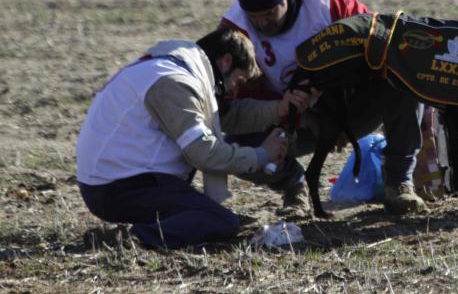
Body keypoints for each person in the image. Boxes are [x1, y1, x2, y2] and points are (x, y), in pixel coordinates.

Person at [219, 0, 427, 215]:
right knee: (234, 148)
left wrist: (331, 91)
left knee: (401, 75)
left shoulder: (327, 0)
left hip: (352, 104)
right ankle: (294, 185)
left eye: (270, 13)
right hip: (289, 120)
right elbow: (239, 97)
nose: (263, 23)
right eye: (255, 17)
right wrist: (296, 116)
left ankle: (398, 182)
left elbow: (377, 46)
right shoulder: (235, 28)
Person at [76, 27, 315, 249]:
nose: (235, 91)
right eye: (239, 82)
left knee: (218, 219)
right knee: (220, 222)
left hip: (118, 180)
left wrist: (279, 109)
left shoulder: (168, 69)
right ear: (226, 61)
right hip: (119, 187)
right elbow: (204, 153)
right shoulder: (174, 84)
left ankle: (150, 230)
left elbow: (226, 114)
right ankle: (130, 240)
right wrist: (262, 155)